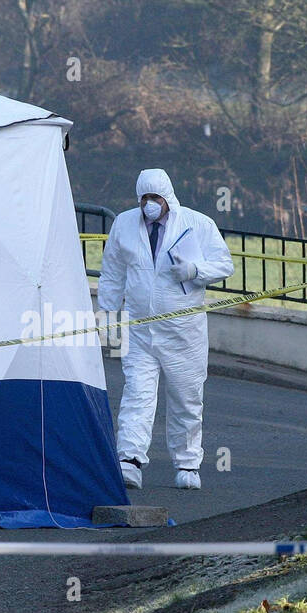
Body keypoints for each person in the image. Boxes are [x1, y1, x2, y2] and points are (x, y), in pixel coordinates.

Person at [97, 168, 234, 490]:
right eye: (144, 198)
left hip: (183, 331)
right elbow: (113, 272)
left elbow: (224, 264)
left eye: (155, 198)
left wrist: (195, 269)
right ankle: (129, 459)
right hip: (140, 328)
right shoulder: (125, 224)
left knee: (186, 398)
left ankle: (187, 463)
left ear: (168, 198)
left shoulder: (198, 224)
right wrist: (108, 316)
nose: (149, 205)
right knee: (137, 395)